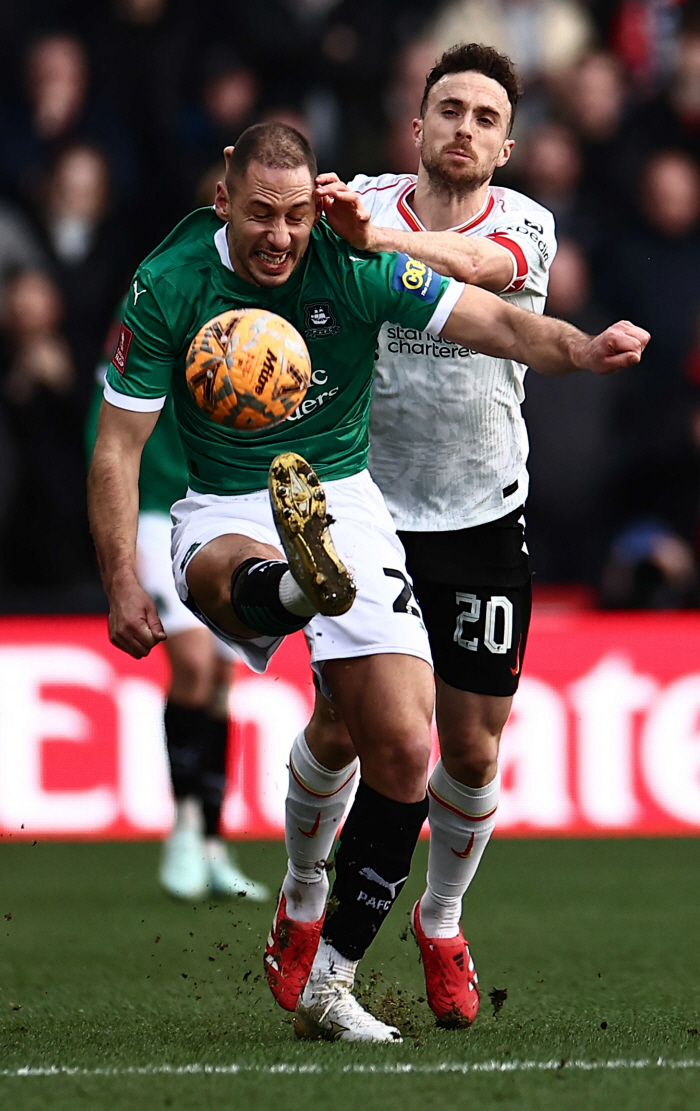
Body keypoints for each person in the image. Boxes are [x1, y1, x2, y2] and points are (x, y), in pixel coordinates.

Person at [87, 121, 647, 1043]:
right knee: (229, 577)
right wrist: (121, 579)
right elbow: (118, 443)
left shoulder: (350, 264)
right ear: (223, 195)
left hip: (342, 499)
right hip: (225, 501)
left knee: (400, 745)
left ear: (318, 205)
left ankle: (331, 976)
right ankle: (303, 597)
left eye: (297, 215)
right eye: (261, 214)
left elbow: (495, 320)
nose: (279, 235)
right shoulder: (169, 282)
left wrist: (581, 350)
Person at [288, 42, 625, 1030]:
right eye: (449, 110)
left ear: (507, 145)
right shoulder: (359, 203)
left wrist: (364, 243)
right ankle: (304, 895)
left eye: (484, 116)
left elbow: (477, 272)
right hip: (367, 514)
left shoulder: (524, 224)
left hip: (481, 513)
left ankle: (440, 920)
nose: (464, 128)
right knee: (349, 729)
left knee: (471, 754)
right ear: (416, 126)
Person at [87, 304, 269, 903]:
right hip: (158, 512)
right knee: (190, 664)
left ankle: (214, 842)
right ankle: (184, 829)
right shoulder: (157, 308)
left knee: (219, 678)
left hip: (226, 507)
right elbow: (106, 428)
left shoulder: (257, 324)